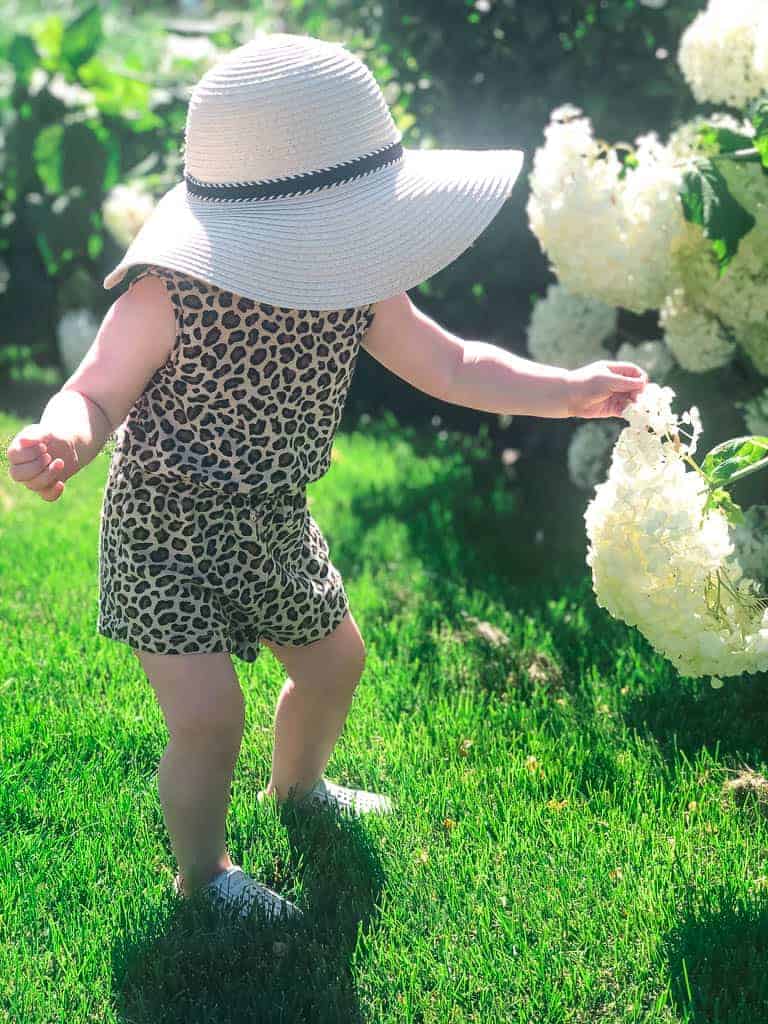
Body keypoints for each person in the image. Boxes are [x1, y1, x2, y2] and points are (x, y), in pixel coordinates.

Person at [5, 33, 648, 925]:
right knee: (208, 716)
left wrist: (566, 390)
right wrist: (64, 438)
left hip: (273, 517)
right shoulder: (167, 292)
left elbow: (454, 365)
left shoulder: (357, 283)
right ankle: (204, 876)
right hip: (165, 527)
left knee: (336, 660)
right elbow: (97, 391)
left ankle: (298, 790)